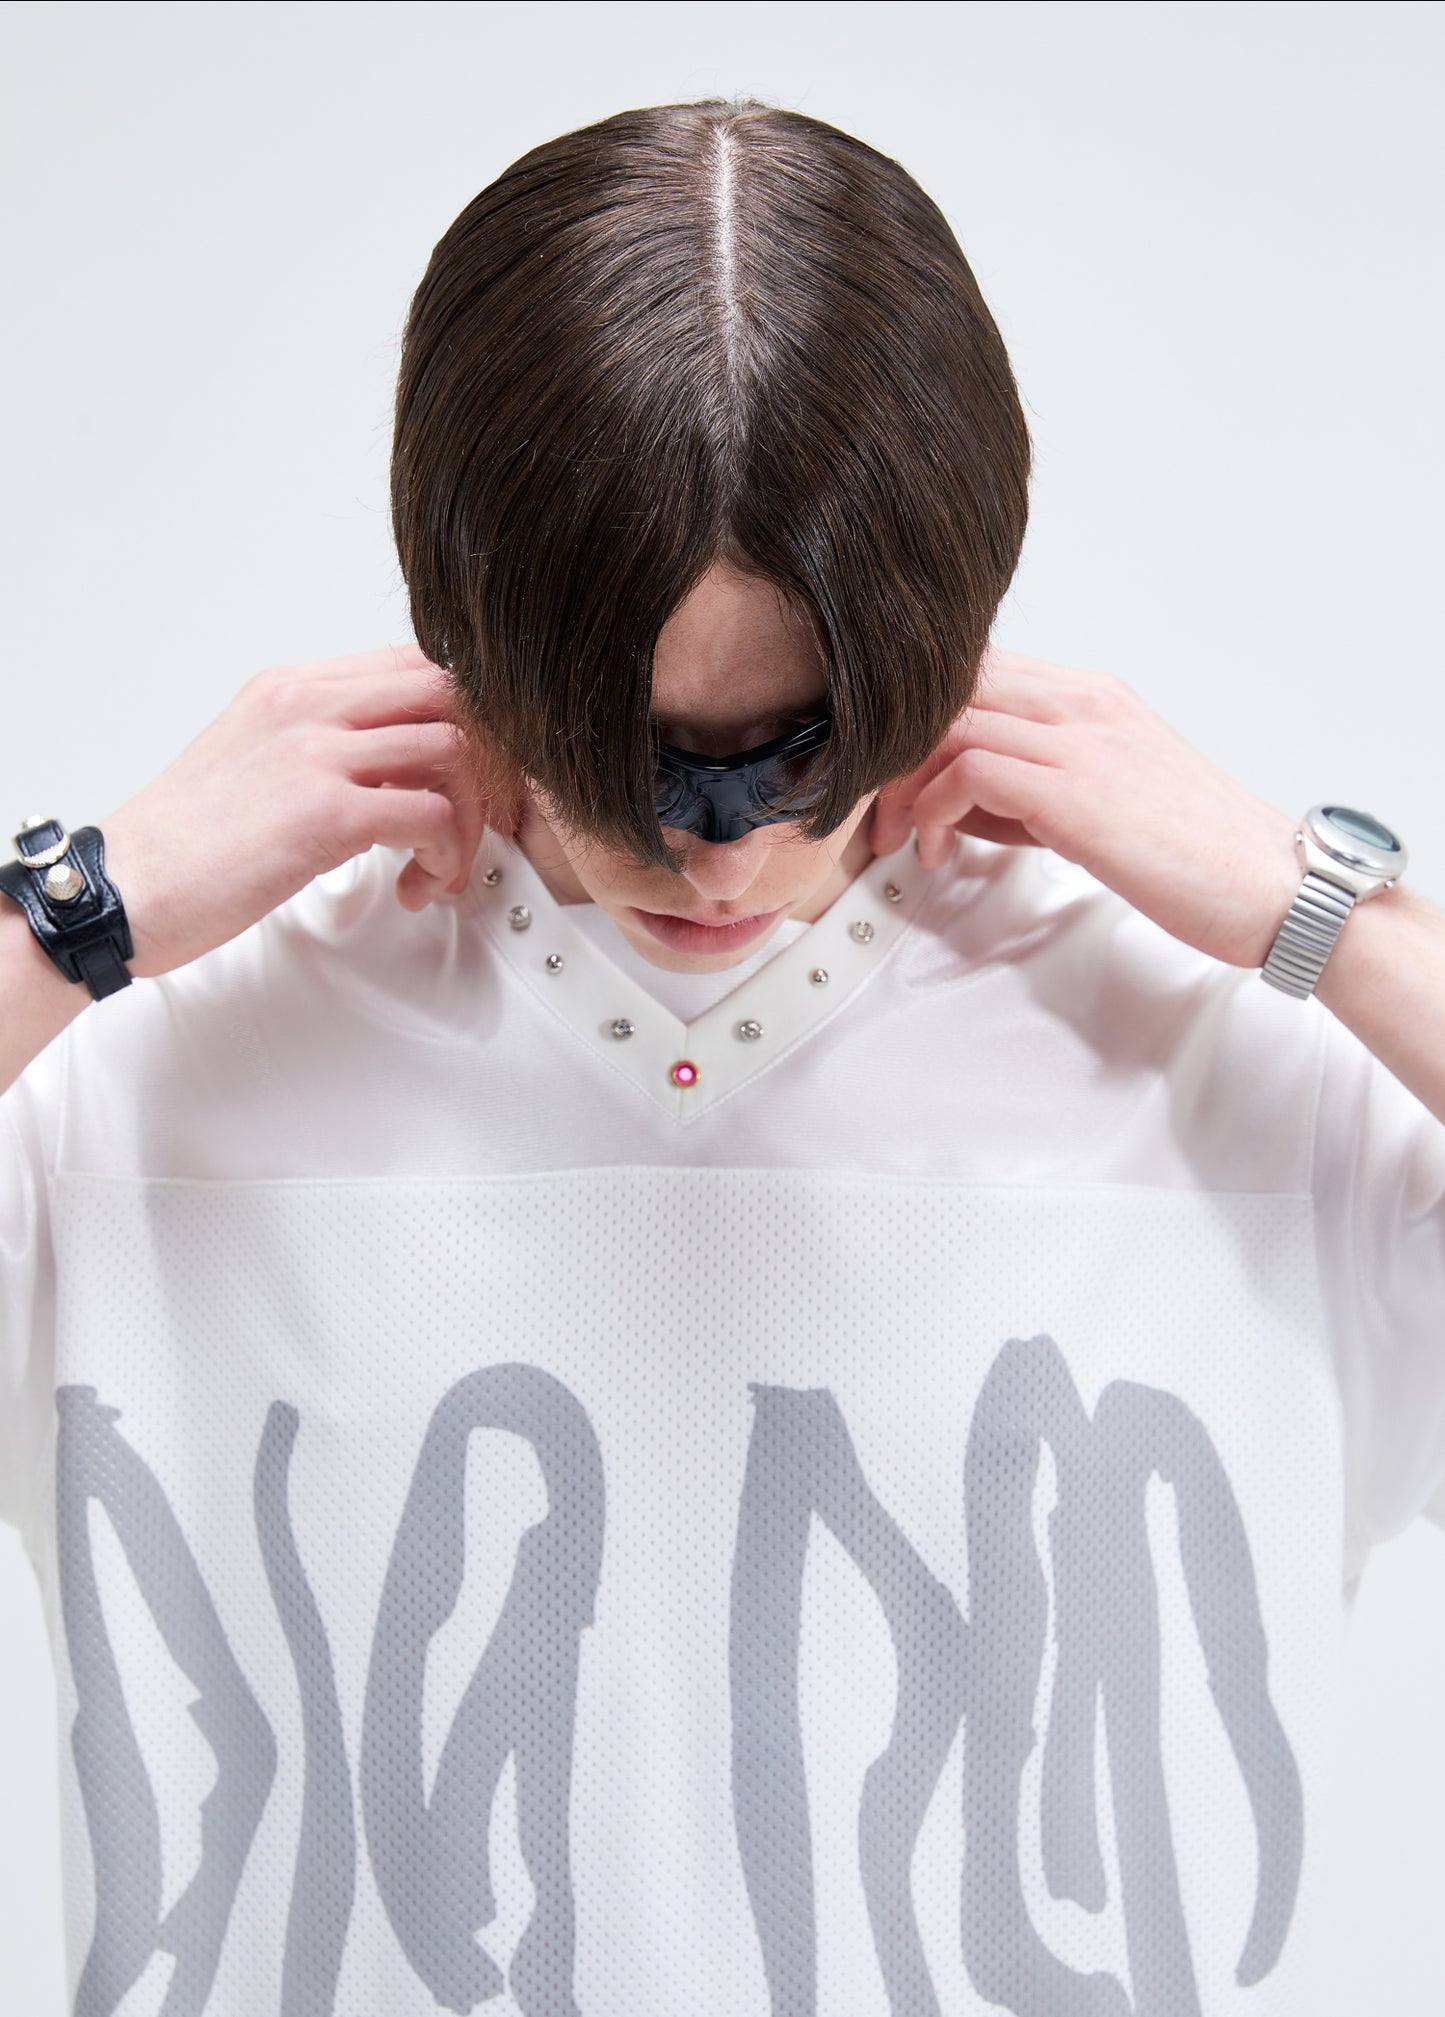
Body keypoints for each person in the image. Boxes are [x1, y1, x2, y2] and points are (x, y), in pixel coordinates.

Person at [1, 96, 1443, 2017]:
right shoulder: (132, 1087)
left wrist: (1315, 907)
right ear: (463, 631)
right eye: (627, 754)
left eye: (799, 750)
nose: (716, 850)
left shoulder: (1236, 1083)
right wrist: (70, 918)